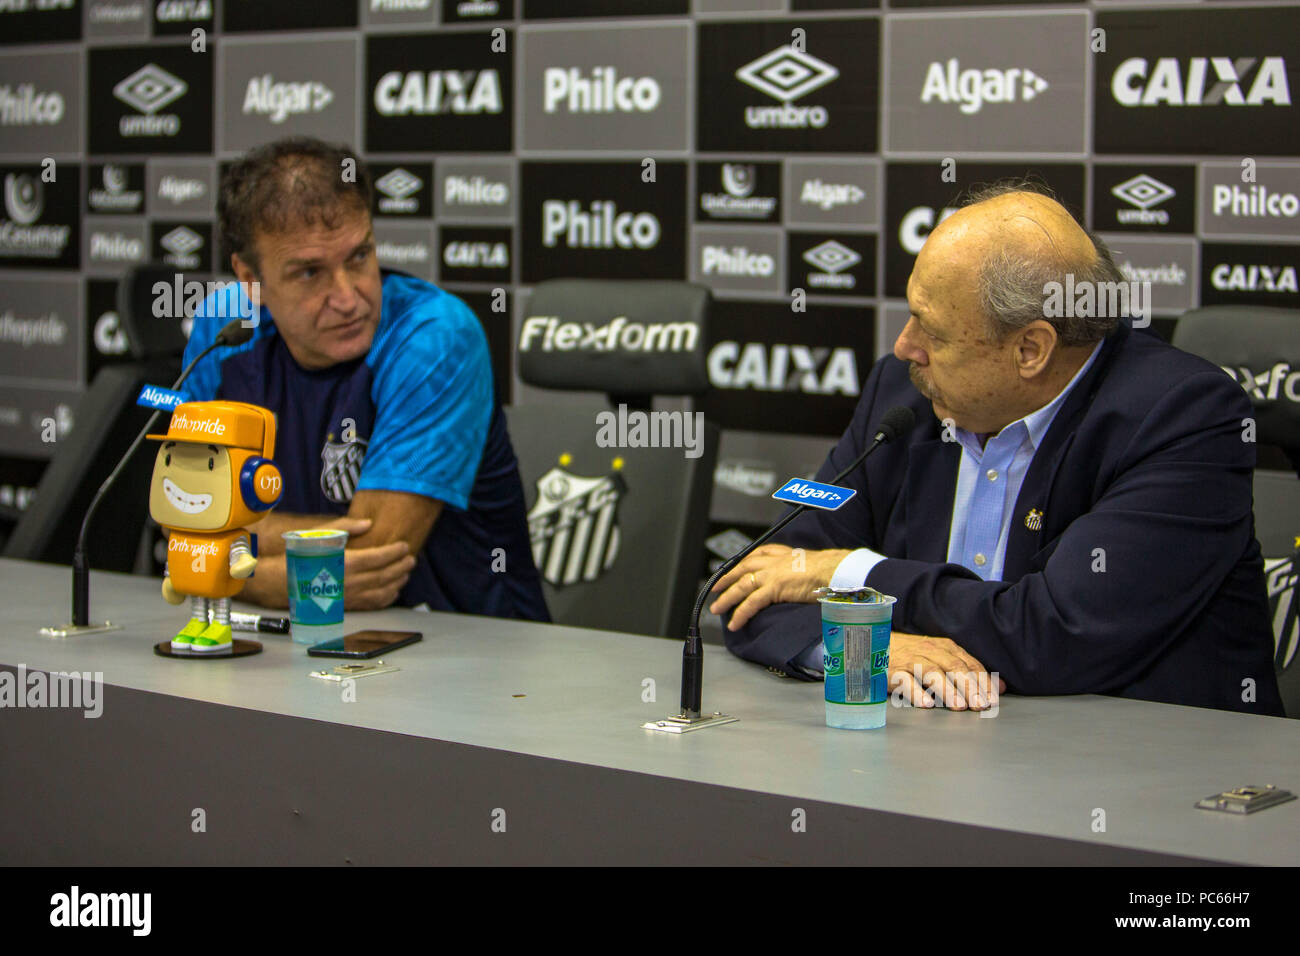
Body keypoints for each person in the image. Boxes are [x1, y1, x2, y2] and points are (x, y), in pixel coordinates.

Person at [710, 181, 1283, 716]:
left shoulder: (1183, 417)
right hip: (926, 769)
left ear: (1030, 349)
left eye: (931, 331)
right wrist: (870, 649)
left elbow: (1054, 634)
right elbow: (762, 581)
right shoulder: (903, 391)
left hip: (1149, 788)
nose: (905, 346)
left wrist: (851, 575)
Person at [179, 136, 549, 622]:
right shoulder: (224, 329)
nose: (348, 297)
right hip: (291, 648)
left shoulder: (435, 337)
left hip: (469, 665)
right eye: (310, 272)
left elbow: (373, 556)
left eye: (359, 257)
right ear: (251, 282)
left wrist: (225, 565)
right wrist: (257, 577)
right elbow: (181, 513)